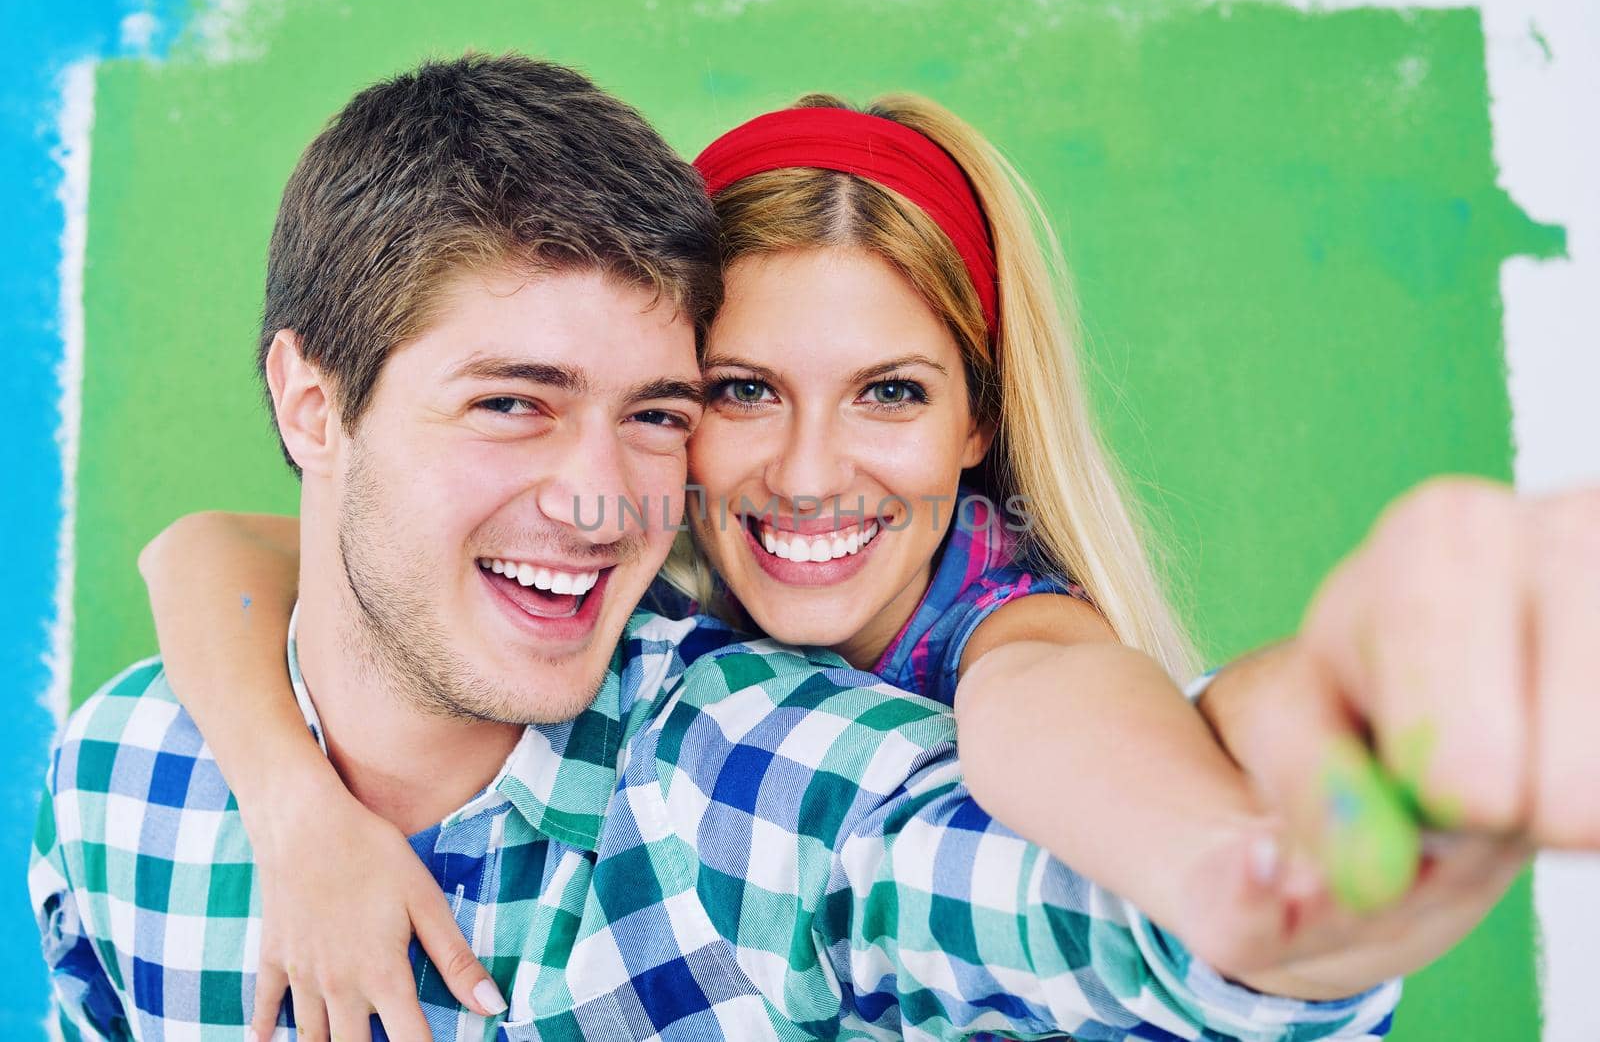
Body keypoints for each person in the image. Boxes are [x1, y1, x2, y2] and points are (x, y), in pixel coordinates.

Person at [130, 69, 1598, 1039]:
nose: (811, 469)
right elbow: (231, 552)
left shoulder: (1002, 642)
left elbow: (1095, 780)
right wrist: (293, 803)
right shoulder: (640, 522)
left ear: (978, 423)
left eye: (891, 392)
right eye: (737, 393)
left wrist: (1252, 884)